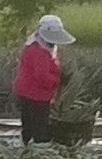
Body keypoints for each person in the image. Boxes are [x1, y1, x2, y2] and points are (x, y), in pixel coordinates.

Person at [12, 13, 74, 145]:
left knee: (29, 124)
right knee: (39, 127)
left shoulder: (43, 45)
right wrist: (58, 80)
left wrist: (58, 75)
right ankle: (38, 149)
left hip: (27, 90)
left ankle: (27, 146)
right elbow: (42, 76)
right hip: (33, 93)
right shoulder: (37, 50)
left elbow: (49, 69)